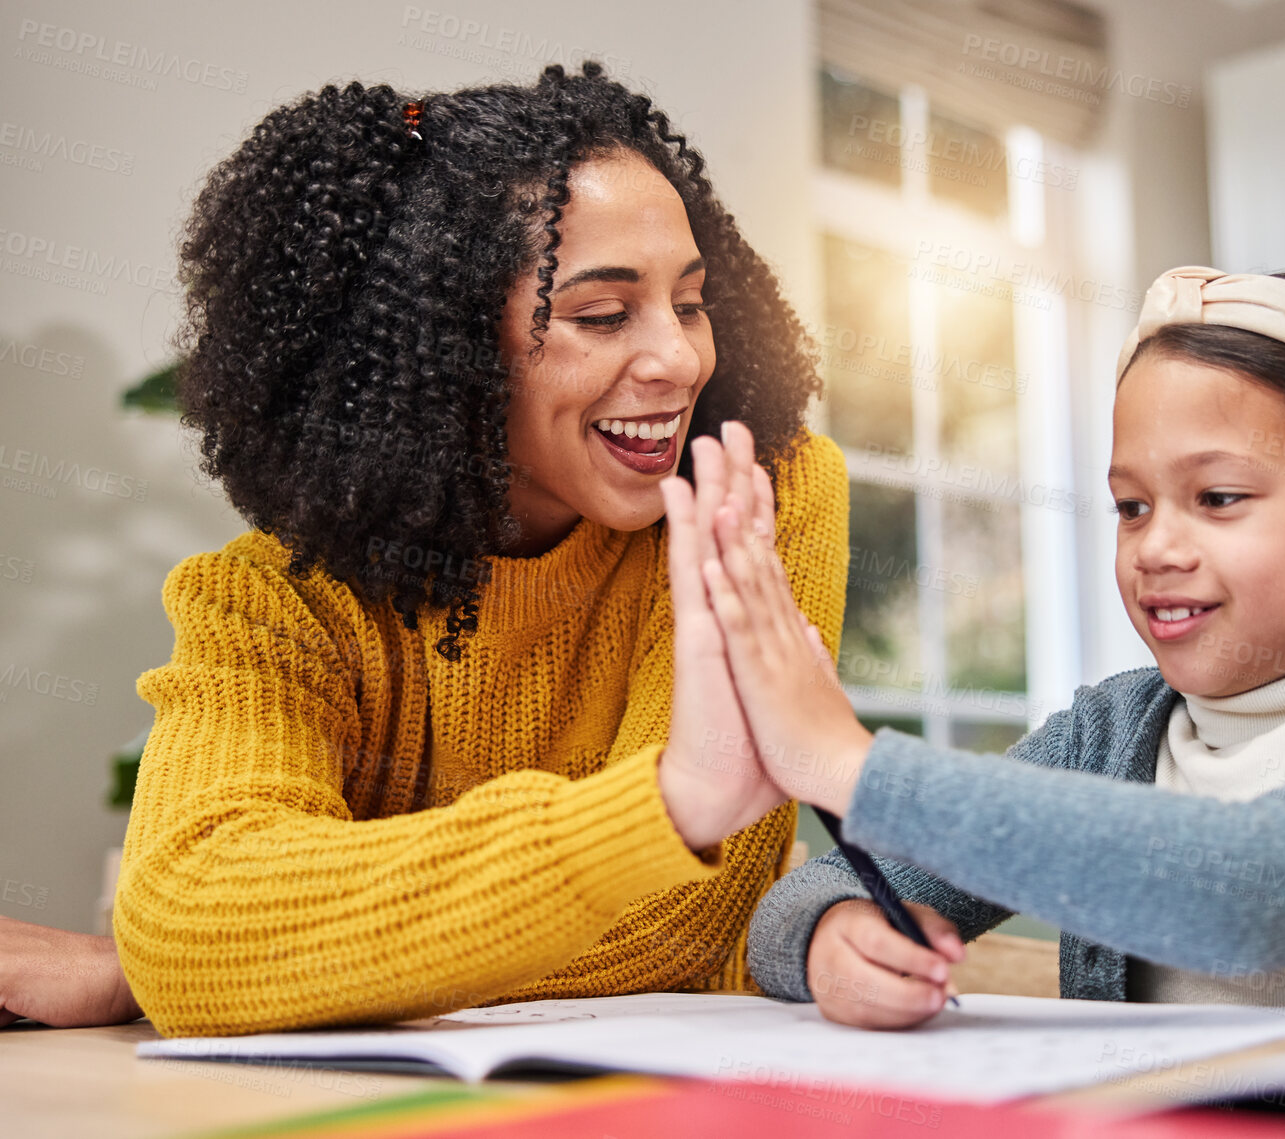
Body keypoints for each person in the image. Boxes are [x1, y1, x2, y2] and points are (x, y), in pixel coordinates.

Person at [0, 62, 848, 1036]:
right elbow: (196, 920)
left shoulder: (745, 493)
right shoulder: (270, 598)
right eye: (602, 314)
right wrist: (203, 956)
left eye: (691, 302)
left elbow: (669, 924)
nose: (680, 358)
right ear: (440, 347)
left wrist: (275, 961)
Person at [686, 266, 1285, 1029]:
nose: (1156, 549)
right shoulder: (1109, 732)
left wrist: (851, 764)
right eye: (1133, 505)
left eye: (1220, 497)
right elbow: (793, 907)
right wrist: (833, 941)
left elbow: (1266, 888)